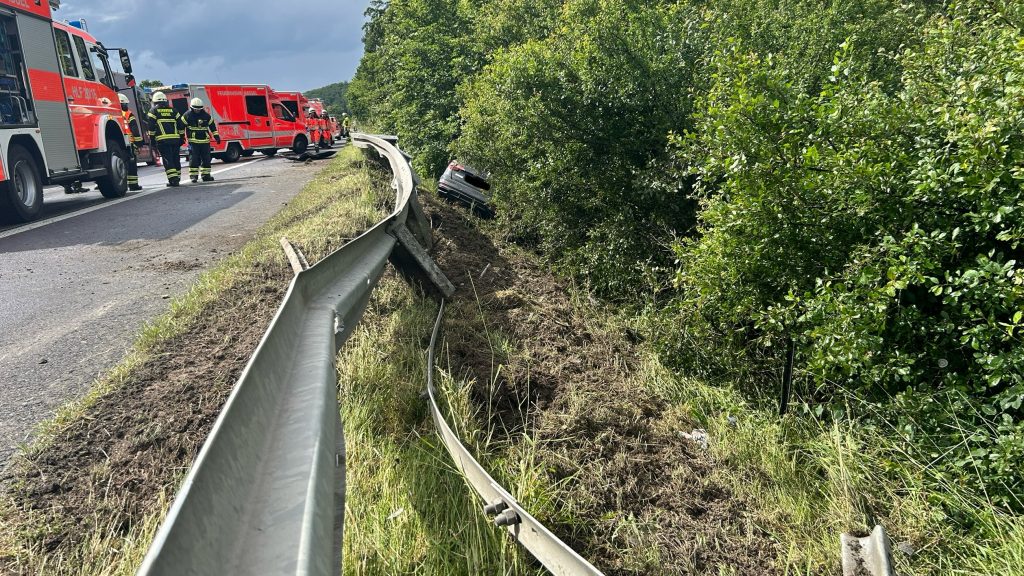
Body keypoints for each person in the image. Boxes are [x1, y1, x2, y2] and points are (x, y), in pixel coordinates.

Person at [146, 91, 187, 187]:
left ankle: (173, 180)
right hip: (175, 140)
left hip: (162, 140)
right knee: (175, 158)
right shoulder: (174, 111)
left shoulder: (153, 111)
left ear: (155, 102)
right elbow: (181, 125)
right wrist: (182, 137)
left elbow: (151, 127)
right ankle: (177, 177)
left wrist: (152, 140)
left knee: (168, 159)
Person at [182, 97, 220, 183]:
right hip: (193, 142)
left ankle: (206, 175)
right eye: (196, 109)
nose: (197, 110)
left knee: (206, 159)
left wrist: (216, 136)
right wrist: (181, 137)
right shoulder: (187, 115)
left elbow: (212, 126)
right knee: (194, 159)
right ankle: (193, 176)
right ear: (191, 107)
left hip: (205, 141)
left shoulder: (206, 115)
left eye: (199, 109)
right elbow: (181, 126)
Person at [119, 93, 143, 191]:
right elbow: (134, 130)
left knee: (122, 165)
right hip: (130, 143)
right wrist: (139, 143)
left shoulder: (113, 113)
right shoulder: (128, 114)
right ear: (121, 104)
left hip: (119, 144)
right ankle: (133, 185)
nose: (127, 106)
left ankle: (123, 185)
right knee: (132, 165)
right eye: (125, 104)